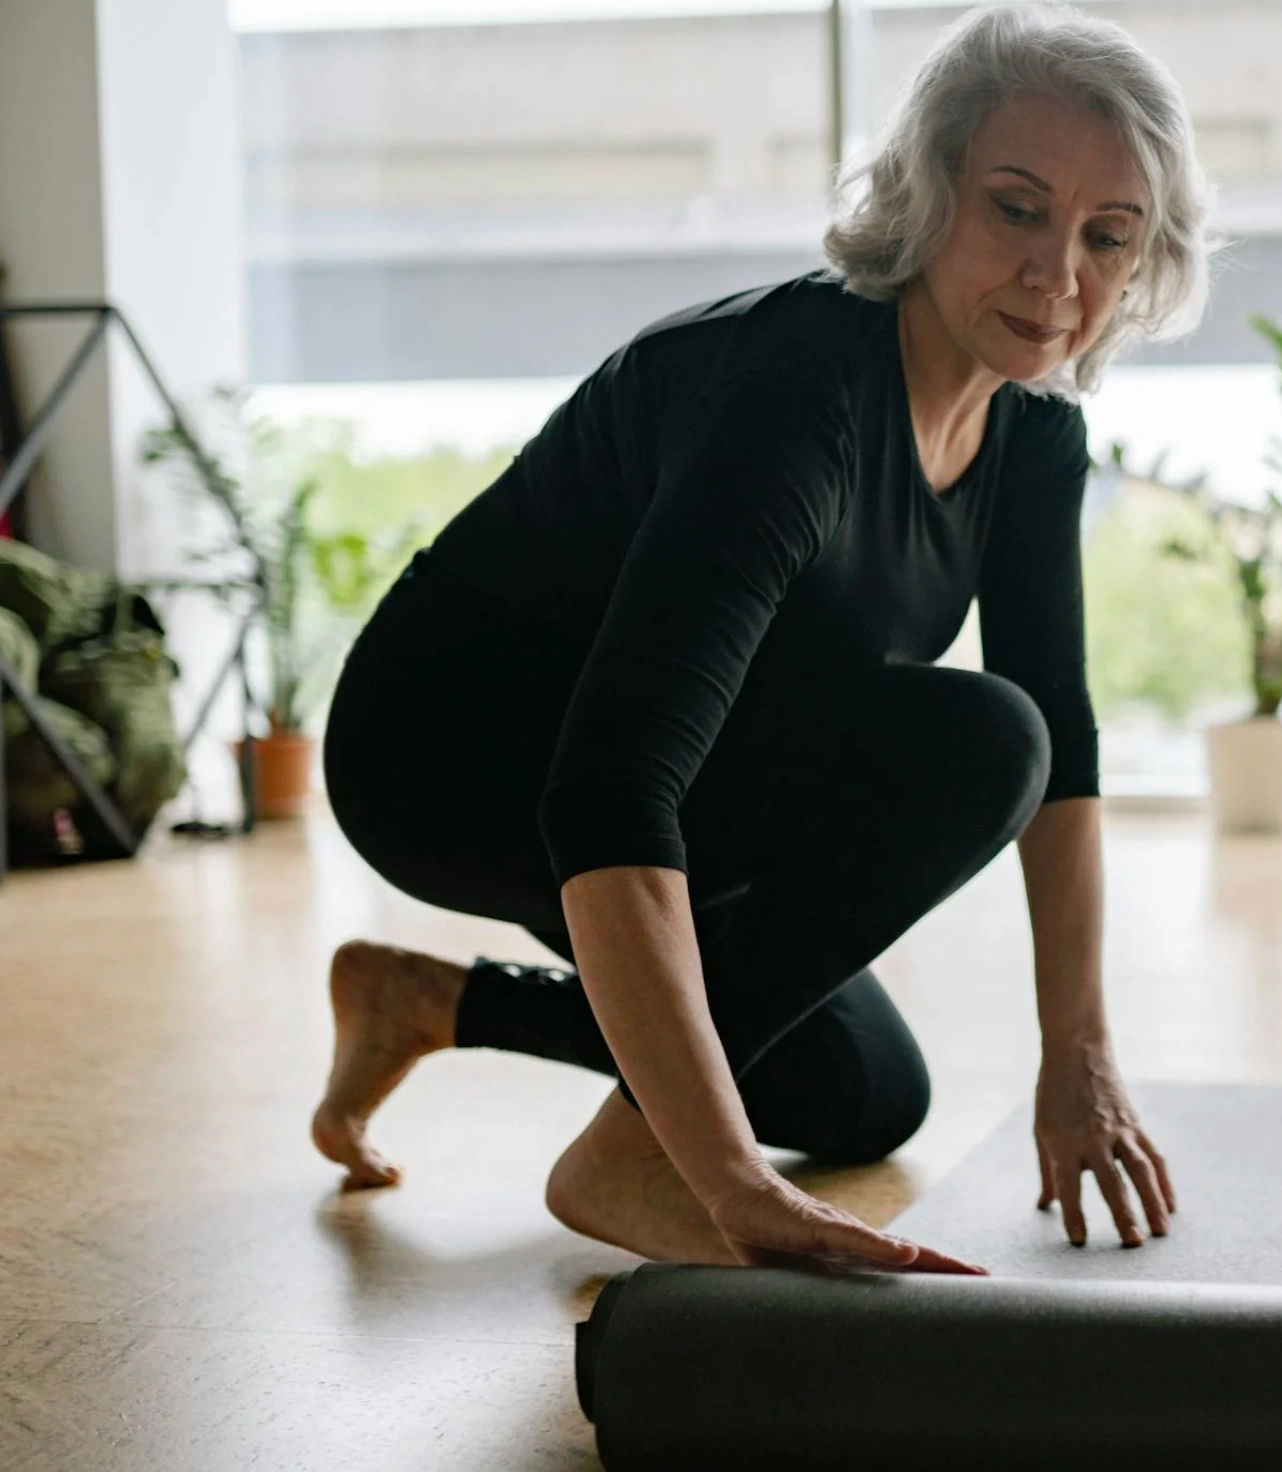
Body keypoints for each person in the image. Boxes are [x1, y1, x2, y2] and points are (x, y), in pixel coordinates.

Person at [308, 2, 1215, 1276]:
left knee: (860, 1092)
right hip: (457, 749)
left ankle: (427, 1002)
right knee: (976, 742)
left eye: (1106, 236)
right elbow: (613, 785)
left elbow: (1066, 748)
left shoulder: (1032, 433)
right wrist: (721, 1180)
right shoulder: (794, 397)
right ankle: (624, 1162)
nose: (1058, 275)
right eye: (1017, 208)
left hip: (674, 762)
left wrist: (1081, 1058)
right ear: (927, 190)